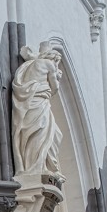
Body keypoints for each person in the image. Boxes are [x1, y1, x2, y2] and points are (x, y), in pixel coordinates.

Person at [12, 43, 63, 177]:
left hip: (29, 103)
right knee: (41, 133)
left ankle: (36, 166)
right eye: (57, 62)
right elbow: (55, 88)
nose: (57, 65)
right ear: (52, 57)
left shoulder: (28, 65)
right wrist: (57, 77)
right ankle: (36, 168)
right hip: (40, 102)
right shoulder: (49, 64)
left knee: (45, 133)